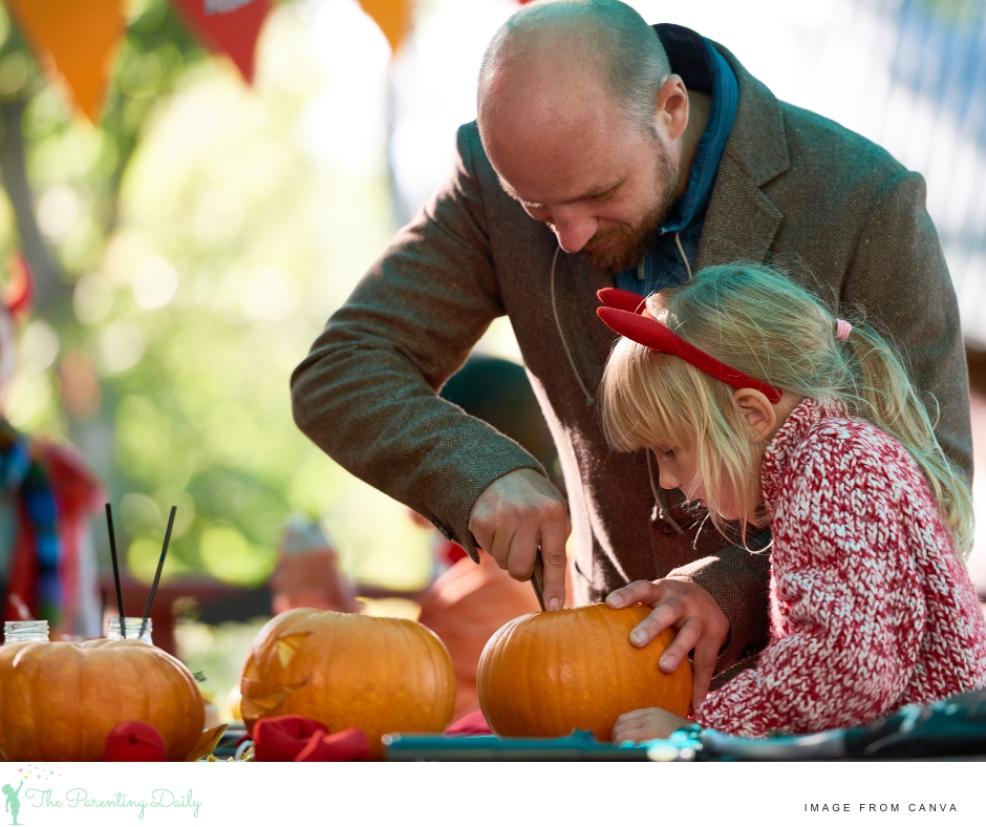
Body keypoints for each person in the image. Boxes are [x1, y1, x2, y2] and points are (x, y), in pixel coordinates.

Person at [290, 0, 972, 699]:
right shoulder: (490, 181)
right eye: (538, 211)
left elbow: (932, 487)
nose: (571, 239)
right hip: (600, 684)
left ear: (671, 107)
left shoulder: (864, 199)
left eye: (599, 195)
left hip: (820, 712)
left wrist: (728, 591)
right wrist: (482, 472)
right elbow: (342, 370)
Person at [597, 263, 986, 739]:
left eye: (670, 451)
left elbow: (845, 671)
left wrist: (701, 734)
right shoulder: (831, 456)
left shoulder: (832, 464)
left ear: (752, 414)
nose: (669, 480)